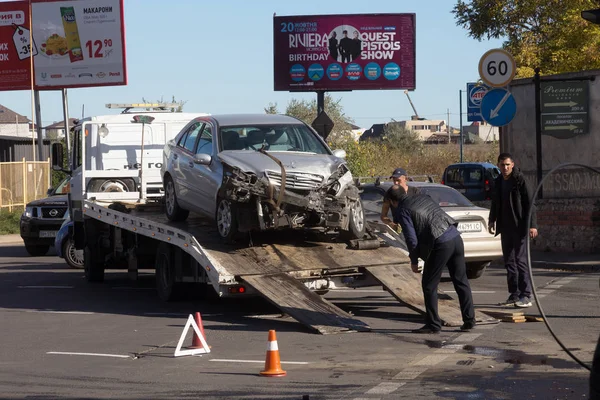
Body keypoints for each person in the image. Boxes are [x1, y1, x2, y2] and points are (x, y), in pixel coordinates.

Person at [387, 185, 476, 334]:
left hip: (441, 242)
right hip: (455, 236)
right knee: (461, 281)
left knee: (429, 285)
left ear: (392, 201)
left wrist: (414, 261)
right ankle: (469, 320)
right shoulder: (422, 197)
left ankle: (433, 325)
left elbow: (411, 238)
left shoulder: (403, 210)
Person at [488, 153, 538, 308]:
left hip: (519, 227)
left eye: (508, 165)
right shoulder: (498, 182)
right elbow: (495, 203)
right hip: (505, 227)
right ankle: (514, 294)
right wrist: (492, 220)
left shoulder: (520, 180)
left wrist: (532, 225)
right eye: (502, 165)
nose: (505, 168)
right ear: (498, 165)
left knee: (520, 261)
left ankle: (526, 295)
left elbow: (530, 203)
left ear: (513, 164)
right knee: (509, 262)